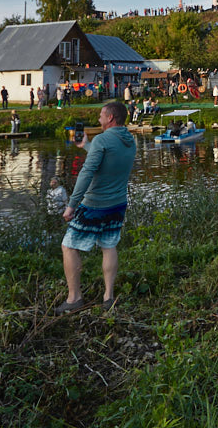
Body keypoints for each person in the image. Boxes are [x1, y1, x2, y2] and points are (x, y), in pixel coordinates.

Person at [57, 101, 138, 315]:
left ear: (111, 118)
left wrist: (71, 205)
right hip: (118, 203)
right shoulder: (129, 141)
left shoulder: (103, 139)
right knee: (109, 245)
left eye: (102, 115)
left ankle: (74, 298)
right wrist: (86, 145)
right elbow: (109, 157)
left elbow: (87, 172)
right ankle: (108, 297)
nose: (99, 119)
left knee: (69, 245)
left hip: (94, 204)